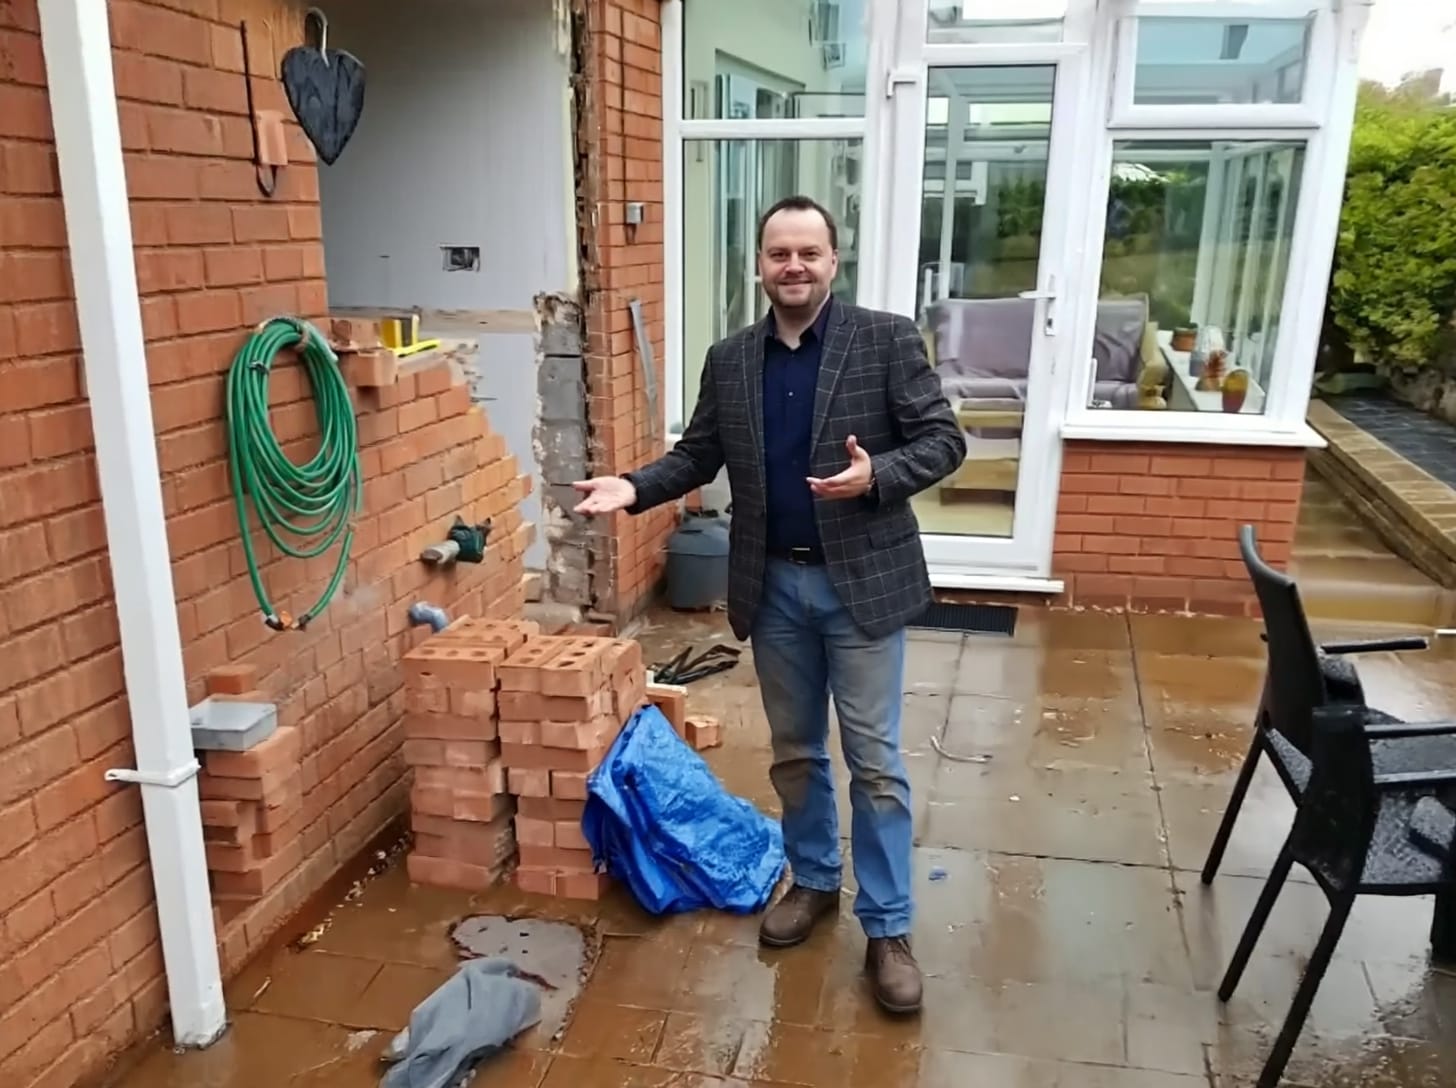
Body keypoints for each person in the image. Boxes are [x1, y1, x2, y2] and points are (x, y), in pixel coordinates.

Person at [572, 195, 965, 1014]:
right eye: (779, 253)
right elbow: (700, 453)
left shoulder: (885, 340)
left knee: (876, 765)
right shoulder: (731, 358)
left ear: (832, 261)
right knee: (794, 753)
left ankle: (888, 927)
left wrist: (877, 477)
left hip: (860, 584)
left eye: (809, 253)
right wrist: (635, 486)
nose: (793, 266)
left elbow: (943, 440)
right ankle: (816, 879)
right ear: (759, 265)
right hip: (774, 586)